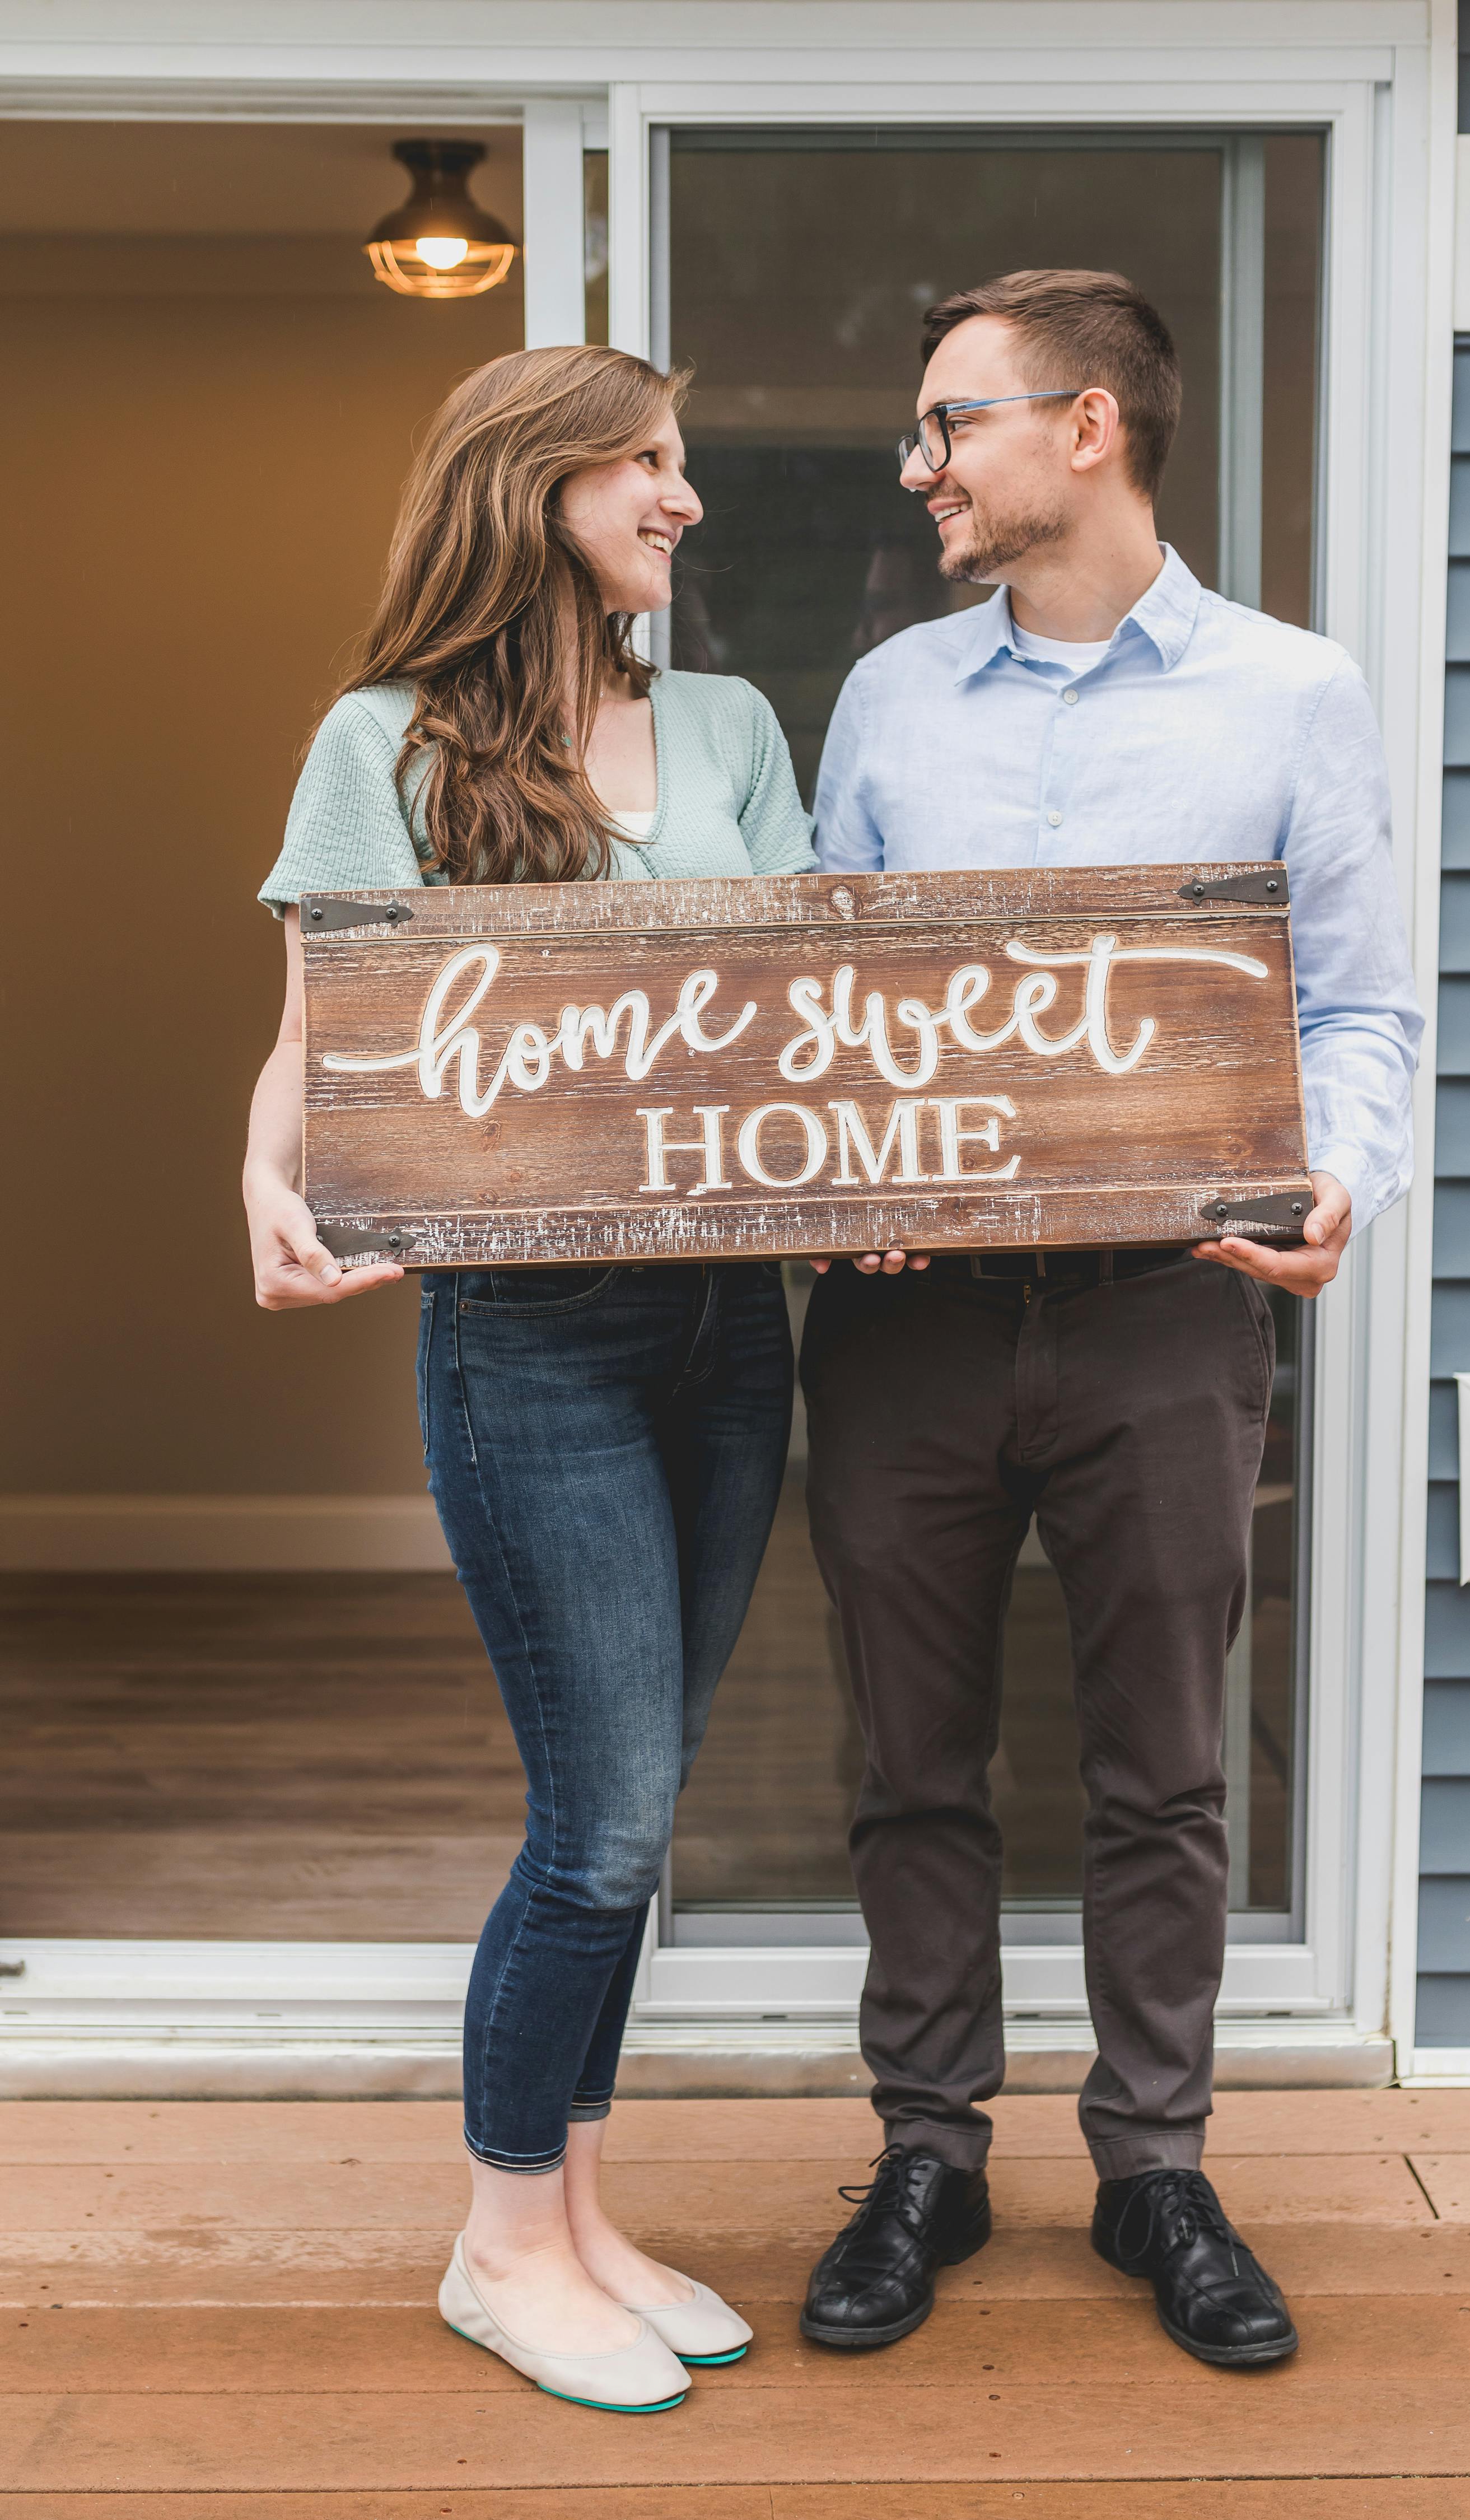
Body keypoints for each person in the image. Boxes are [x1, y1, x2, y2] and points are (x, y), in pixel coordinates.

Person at [797, 270, 1422, 2366]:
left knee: (1165, 1769)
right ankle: (929, 2152)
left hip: (1171, 1319)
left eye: (952, 422)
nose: (924, 464)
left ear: (1087, 430)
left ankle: (1156, 2160)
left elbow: (1358, 1009)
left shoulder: (1290, 694)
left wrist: (1342, 1178)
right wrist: (837, 1181)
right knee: (910, 1760)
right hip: (905, 1330)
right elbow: (827, 1016)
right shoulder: (885, 695)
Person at [242, 344, 815, 2413]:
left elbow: (813, 1007)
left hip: (732, 1325)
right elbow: (326, 1027)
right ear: (531, 485)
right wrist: (262, 1173)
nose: (682, 499)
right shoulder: (383, 744)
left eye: (683, 463)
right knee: (599, 1819)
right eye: (646, 464)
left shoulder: (736, 726)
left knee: (635, 1819)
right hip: (527, 1329)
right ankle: (500, 2241)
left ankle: (576, 2209)